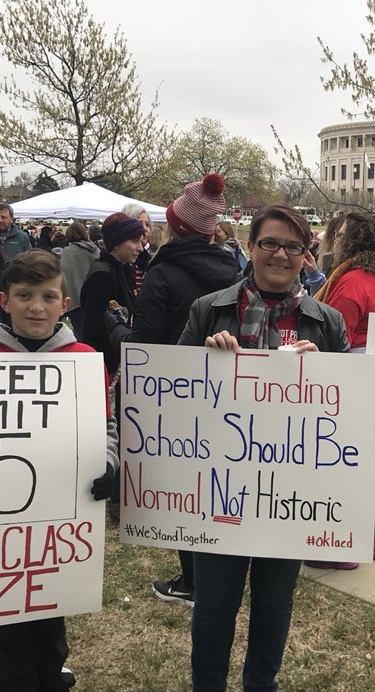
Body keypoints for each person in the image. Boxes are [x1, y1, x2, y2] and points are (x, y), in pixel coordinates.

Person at [173, 204, 349, 692]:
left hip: (289, 497)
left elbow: (347, 415)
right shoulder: (209, 310)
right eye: (269, 243)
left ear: (305, 256)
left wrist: (327, 369)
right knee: (215, 602)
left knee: (275, 600)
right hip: (222, 489)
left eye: (292, 247)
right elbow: (171, 395)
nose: (280, 255)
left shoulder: (327, 322)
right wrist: (204, 358)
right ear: (251, 248)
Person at [0, 250, 117, 692]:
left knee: (50, 633)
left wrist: (108, 465)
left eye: (48, 297)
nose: (36, 307)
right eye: (25, 297)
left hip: (54, 530)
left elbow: (105, 429)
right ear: (4, 301)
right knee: (0, 637)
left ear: (65, 303)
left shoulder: (83, 360)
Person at [106, 174, 238, 607]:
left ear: (177, 226)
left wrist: (115, 328)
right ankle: (220, 570)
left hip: (171, 397)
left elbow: (144, 344)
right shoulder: (232, 269)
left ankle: (192, 579)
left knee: (186, 485)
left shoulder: (162, 273)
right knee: (218, 479)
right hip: (224, 393)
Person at [309, 210, 375, 567]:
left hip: (349, 378)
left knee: (344, 464)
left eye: (340, 235)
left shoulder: (350, 282)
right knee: (364, 463)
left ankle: (345, 546)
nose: (335, 241)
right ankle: (368, 537)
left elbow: (332, 335)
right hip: (372, 375)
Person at [77, 213, 145, 376]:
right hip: (106, 364)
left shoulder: (122, 268)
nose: (140, 248)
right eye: (135, 241)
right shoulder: (103, 275)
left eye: (140, 241)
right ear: (116, 243)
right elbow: (93, 329)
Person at [59, 221, 99, 332]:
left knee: (80, 331)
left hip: (76, 299)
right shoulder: (95, 250)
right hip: (93, 297)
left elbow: (64, 274)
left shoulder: (69, 252)